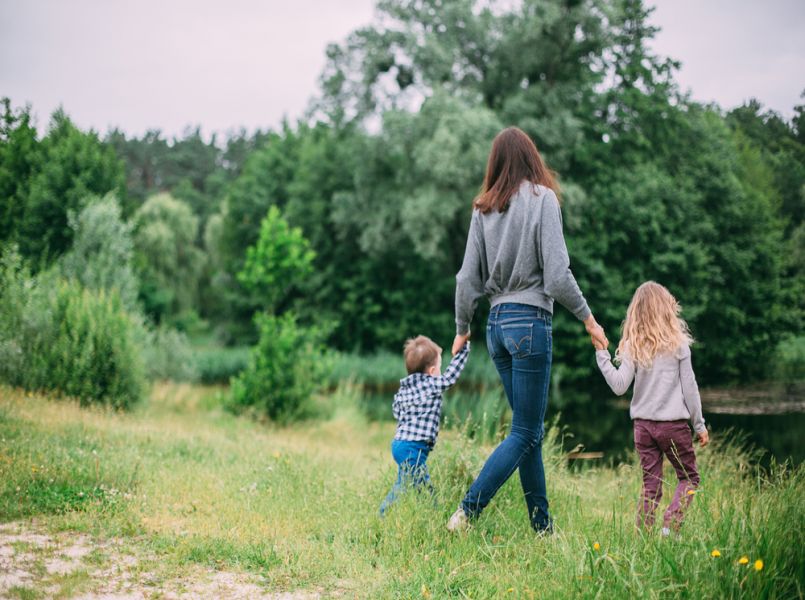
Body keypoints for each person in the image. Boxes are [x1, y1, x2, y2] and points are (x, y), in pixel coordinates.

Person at [448, 127, 608, 533]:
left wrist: (462, 327)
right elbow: (556, 276)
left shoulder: (483, 208)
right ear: (531, 158)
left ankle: (542, 529)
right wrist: (589, 319)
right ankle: (467, 511)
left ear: (496, 163)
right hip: (530, 322)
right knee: (524, 430)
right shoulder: (543, 199)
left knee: (528, 429)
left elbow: (467, 278)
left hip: (497, 328)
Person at [594, 281, 709, 534]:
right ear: (667, 309)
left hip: (643, 428)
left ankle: (644, 537)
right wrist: (699, 425)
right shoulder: (679, 345)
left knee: (651, 485)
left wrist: (602, 355)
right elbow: (690, 388)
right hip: (673, 427)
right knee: (689, 478)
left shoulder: (632, 345)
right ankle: (671, 525)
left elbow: (619, 386)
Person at [379, 335, 470, 516]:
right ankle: (388, 514)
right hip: (413, 447)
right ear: (432, 370)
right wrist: (464, 349)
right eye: (439, 368)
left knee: (409, 481)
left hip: (400, 444)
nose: (440, 372)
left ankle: (426, 513)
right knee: (415, 486)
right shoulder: (431, 384)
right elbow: (451, 378)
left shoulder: (404, 389)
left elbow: (396, 411)